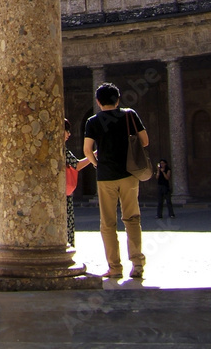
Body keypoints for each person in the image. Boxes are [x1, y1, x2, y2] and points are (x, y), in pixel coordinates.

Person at [84, 82, 148, 279]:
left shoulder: (92, 121)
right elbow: (145, 141)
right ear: (118, 99)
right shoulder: (130, 114)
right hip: (129, 174)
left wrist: (97, 163)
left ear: (98, 101)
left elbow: (87, 150)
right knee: (132, 219)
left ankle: (115, 267)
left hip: (106, 177)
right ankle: (137, 265)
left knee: (108, 224)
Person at [64, 120, 91, 247]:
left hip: (63, 192)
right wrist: (93, 155)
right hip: (64, 194)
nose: (69, 134)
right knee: (67, 224)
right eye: (67, 131)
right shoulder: (62, 150)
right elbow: (77, 165)